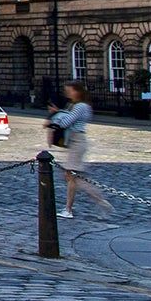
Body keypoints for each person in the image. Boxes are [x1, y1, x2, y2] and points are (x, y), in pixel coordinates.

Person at [48, 82, 112, 219]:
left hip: (77, 142)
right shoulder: (78, 106)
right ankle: (101, 203)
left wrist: (55, 117)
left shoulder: (80, 106)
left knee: (72, 177)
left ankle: (69, 209)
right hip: (75, 142)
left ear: (77, 92)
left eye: (69, 91)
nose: (67, 93)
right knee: (74, 178)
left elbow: (65, 122)